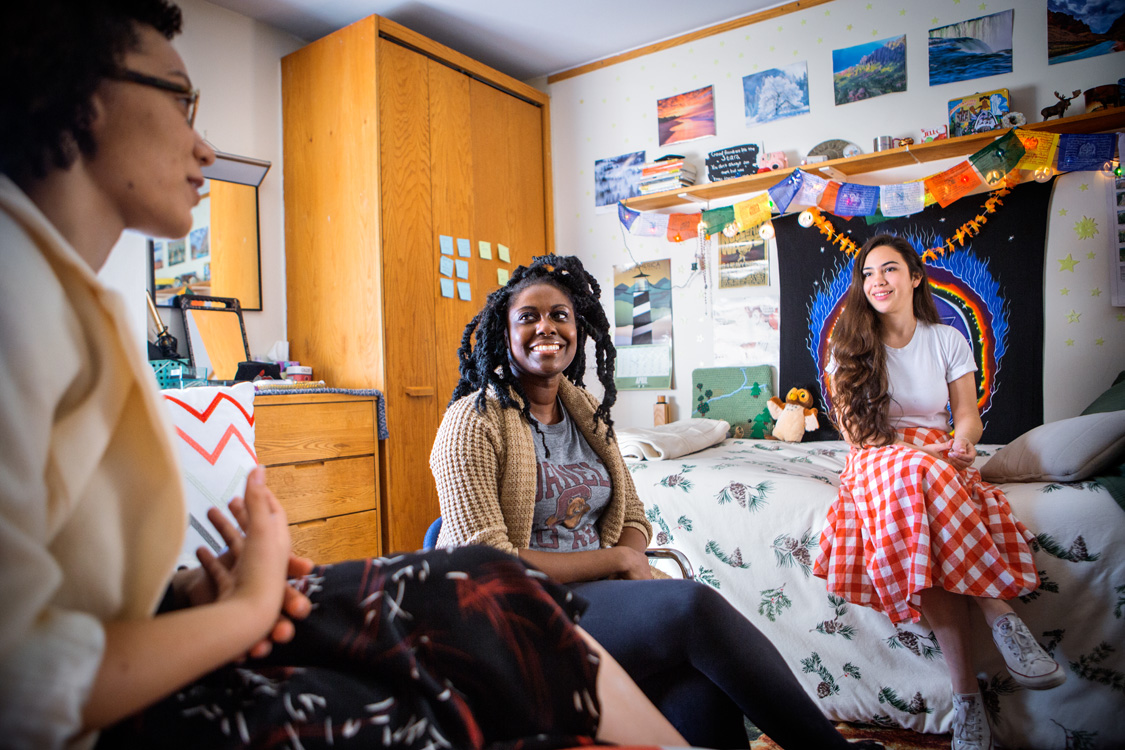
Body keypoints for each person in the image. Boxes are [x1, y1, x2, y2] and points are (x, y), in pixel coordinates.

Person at [0, 3, 688, 748]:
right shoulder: (18, 299)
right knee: (492, 653)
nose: (202, 143)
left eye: (562, 319)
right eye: (179, 98)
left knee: (495, 594)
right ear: (85, 95)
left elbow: (71, 592)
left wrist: (189, 596)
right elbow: (21, 679)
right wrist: (245, 607)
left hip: (161, 640)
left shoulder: (65, 297)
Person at [430, 253, 884, 750]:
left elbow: (633, 514)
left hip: (597, 600)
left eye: (560, 315)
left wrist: (627, 557)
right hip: (515, 615)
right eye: (529, 317)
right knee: (691, 606)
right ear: (504, 330)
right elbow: (490, 563)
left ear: (579, 328)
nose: (547, 327)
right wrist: (620, 560)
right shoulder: (471, 423)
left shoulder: (582, 409)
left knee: (703, 697)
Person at [813, 234, 1065, 750]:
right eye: (867, 273)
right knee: (914, 477)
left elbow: (967, 417)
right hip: (877, 455)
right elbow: (857, 435)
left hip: (937, 457)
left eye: (888, 269)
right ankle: (1001, 615)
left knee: (920, 516)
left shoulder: (947, 339)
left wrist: (964, 444)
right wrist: (924, 456)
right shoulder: (849, 344)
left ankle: (967, 702)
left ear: (914, 276)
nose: (877, 281)